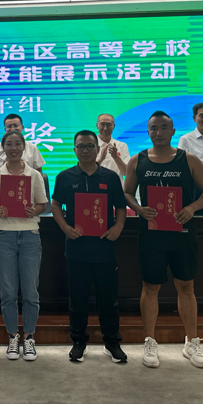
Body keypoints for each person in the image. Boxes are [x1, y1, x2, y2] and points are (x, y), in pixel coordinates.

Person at [124, 111, 203, 370]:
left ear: (173, 131)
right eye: (154, 128)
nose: (159, 133)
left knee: (186, 286)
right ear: (148, 132)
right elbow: (127, 193)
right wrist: (138, 209)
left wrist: (191, 208)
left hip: (183, 233)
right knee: (150, 287)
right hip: (151, 235)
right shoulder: (137, 160)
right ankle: (150, 341)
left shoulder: (189, 159)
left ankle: (191, 342)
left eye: (164, 128)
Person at [51, 130, 128, 364]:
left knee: (108, 300)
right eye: (81, 146)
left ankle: (112, 342)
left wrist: (118, 227)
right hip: (76, 249)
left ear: (97, 149)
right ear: (74, 150)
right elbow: (56, 204)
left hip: (105, 248)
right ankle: (78, 342)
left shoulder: (110, 177)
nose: (85, 150)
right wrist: (65, 227)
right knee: (78, 300)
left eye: (90, 146)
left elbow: (121, 206)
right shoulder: (64, 176)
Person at [0, 130, 48, 361]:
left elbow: (43, 204)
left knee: (31, 291)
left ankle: (29, 336)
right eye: (9, 144)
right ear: (3, 149)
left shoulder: (34, 175)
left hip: (30, 234)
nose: (13, 148)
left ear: (24, 147)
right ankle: (13, 335)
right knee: (8, 291)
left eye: (17, 144)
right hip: (5, 235)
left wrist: (34, 210)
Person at [96, 113, 130, 185]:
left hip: (116, 188)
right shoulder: (91, 145)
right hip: (96, 188)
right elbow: (87, 170)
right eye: (102, 124)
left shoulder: (122, 146)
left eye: (109, 125)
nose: (105, 128)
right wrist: (101, 159)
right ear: (97, 125)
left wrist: (116, 157)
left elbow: (126, 173)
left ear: (113, 126)